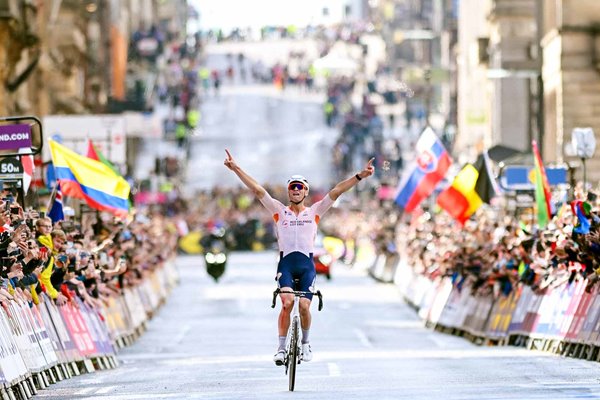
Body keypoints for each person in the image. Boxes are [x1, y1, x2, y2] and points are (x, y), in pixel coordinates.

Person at [223, 149, 374, 365]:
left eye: (299, 187)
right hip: (286, 264)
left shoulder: (314, 212)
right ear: (288, 192)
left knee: (303, 306)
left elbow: (337, 190)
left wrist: (361, 175)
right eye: (292, 188)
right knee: (287, 303)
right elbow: (257, 190)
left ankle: (305, 343)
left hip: (306, 266)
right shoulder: (279, 211)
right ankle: (281, 348)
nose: (295, 190)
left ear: (305, 192)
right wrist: (236, 168)